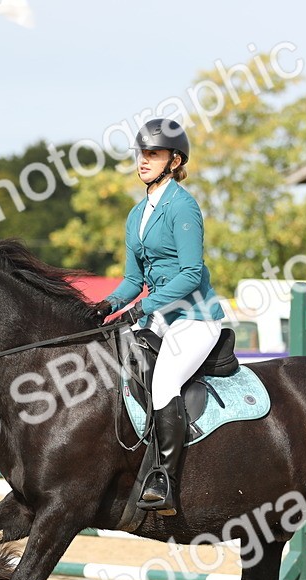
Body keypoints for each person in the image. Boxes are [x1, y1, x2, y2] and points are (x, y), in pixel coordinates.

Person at [93, 118, 225, 516]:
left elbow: (190, 273)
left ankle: (164, 478)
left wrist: (142, 309)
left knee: (165, 380)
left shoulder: (183, 206)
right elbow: (134, 279)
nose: (143, 161)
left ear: (174, 160)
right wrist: (107, 305)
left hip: (195, 317)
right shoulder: (137, 214)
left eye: (153, 154)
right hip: (159, 317)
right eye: (141, 153)